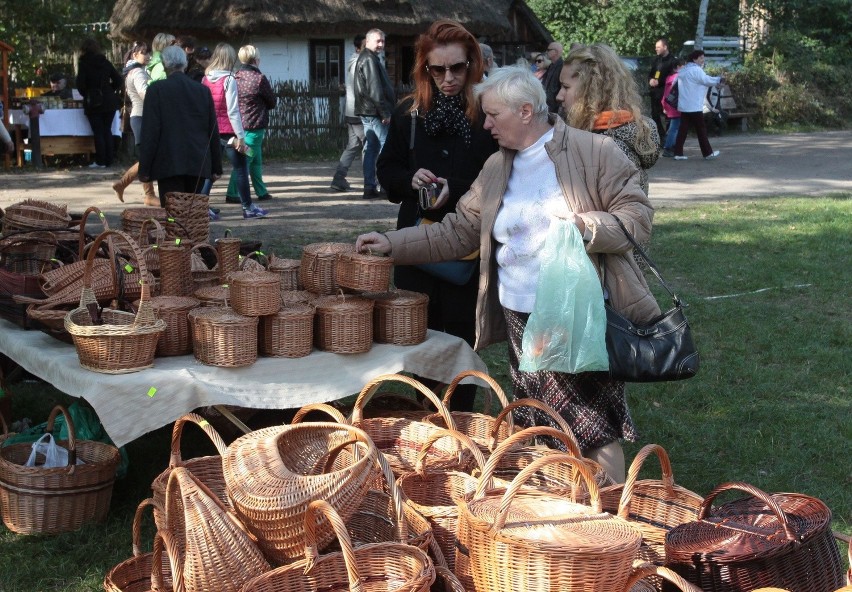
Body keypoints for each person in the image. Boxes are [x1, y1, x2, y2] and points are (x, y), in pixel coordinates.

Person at [357, 66, 660, 483]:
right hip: (521, 319)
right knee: (537, 417)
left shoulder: (595, 153)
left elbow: (637, 220)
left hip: (579, 315)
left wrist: (586, 227)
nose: (485, 125)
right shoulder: (496, 168)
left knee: (591, 424)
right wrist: (393, 245)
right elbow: (457, 231)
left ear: (524, 111)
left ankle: (608, 522)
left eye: (492, 115)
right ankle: (563, 510)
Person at [376, 19, 499, 412]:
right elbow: (386, 169)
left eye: (458, 68)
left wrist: (457, 189)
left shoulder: (488, 115)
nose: (449, 78)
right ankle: (428, 413)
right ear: (424, 69)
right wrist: (409, 179)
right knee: (420, 335)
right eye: (438, 69)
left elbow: (501, 175)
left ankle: (461, 418)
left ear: (473, 65)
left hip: (466, 242)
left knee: (462, 337)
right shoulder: (408, 114)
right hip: (416, 242)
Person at [558, 43, 660, 195]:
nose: (559, 96)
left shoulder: (610, 148)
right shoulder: (597, 136)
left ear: (592, 89)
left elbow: (622, 215)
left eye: (566, 87)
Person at [138, 46, 222, 203]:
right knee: (191, 215)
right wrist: (216, 166)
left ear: (164, 64)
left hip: (168, 162)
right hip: (197, 161)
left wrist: (145, 169)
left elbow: (150, 132)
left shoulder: (156, 90)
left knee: (172, 215)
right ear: (185, 64)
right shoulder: (202, 90)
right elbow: (212, 130)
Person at [203, 42, 268, 218]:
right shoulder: (229, 80)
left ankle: (201, 208)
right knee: (240, 169)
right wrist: (240, 136)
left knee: (210, 171)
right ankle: (248, 208)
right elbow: (233, 110)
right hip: (228, 131)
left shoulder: (205, 79)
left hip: (210, 131)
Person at [223, 45, 277, 204]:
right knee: (245, 160)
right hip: (255, 125)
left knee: (255, 159)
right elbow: (272, 101)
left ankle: (261, 191)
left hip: (237, 125)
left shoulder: (235, 77)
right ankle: (232, 193)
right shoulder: (259, 79)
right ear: (256, 59)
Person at [112, 41, 157, 205]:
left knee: (148, 157)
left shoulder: (131, 70)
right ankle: (148, 195)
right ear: (134, 54)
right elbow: (144, 92)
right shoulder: (138, 71)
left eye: (148, 53)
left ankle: (124, 185)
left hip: (139, 117)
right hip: (142, 117)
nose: (148, 56)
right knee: (148, 158)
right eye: (144, 53)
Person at [354, 28, 395, 199]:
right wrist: (385, 112)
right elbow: (374, 89)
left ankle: (370, 187)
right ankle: (385, 185)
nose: (381, 44)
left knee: (371, 149)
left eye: (383, 41)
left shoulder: (368, 58)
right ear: (368, 41)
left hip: (369, 111)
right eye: (378, 41)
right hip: (375, 113)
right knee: (386, 149)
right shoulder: (369, 59)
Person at [75, 38, 122, 169]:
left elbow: (80, 84)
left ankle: (101, 160)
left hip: (94, 102)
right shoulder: (105, 62)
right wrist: (108, 90)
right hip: (109, 101)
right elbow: (118, 80)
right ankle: (109, 159)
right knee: (107, 130)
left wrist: (89, 94)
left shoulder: (83, 63)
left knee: (98, 131)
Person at [330, 34, 366, 192]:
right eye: (366, 45)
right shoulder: (361, 62)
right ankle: (370, 181)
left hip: (351, 110)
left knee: (353, 145)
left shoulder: (353, 61)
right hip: (359, 111)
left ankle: (339, 177)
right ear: (358, 48)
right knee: (370, 145)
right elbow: (364, 89)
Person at [673, 50, 724, 161]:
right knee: (701, 129)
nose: (703, 60)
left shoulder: (683, 70)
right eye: (701, 58)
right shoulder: (696, 70)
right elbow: (706, 80)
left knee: (683, 129)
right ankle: (708, 153)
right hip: (694, 105)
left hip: (684, 105)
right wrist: (719, 79)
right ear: (694, 59)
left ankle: (678, 152)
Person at [647, 37, 676, 136]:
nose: (656, 49)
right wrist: (651, 80)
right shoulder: (656, 60)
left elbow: (673, 78)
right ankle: (661, 136)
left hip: (666, 93)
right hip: (655, 93)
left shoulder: (672, 61)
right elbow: (651, 74)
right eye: (656, 47)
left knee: (668, 116)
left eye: (658, 47)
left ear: (665, 47)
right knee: (655, 115)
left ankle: (669, 137)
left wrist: (659, 81)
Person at [661, 58, 685, 157]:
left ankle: (672, 145)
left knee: (674, 126)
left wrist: (664, 105)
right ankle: (668, 147)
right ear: (678, 67)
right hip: (676, 105)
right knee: (674, 127)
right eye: (683, 65)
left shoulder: (669, 78)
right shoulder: (678, 77)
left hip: (669, 104)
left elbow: (665, 94)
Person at [541, 41, 564, 113]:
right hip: (547, 106)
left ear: (555, 52)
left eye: (548, 50)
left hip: (555, 108)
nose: (546, 52)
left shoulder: (562, 67)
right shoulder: (551, 66)